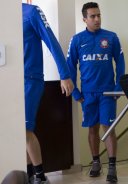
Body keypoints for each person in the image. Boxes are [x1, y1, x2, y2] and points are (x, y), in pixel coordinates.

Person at [66, 2, 125, 183]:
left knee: (108, 128)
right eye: (92, 16)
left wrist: (118, 86)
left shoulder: (111, 37)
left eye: (98, 15)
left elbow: (120, 63)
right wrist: (75, 91)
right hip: (88, 94)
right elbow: (70, 68)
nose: (97, 19)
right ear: (84, 19)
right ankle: (96, 162)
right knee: (92, 128)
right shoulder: (77, 40)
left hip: (108, 92)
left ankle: (112, 167)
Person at [22, 3, 74, 184]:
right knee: (19, 132)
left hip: (30, 79)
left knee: (24, 129)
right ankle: (29, 175)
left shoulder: (31, 11)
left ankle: (39, 175)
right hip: (10, 82)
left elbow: (51, 41)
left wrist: (65, 74)